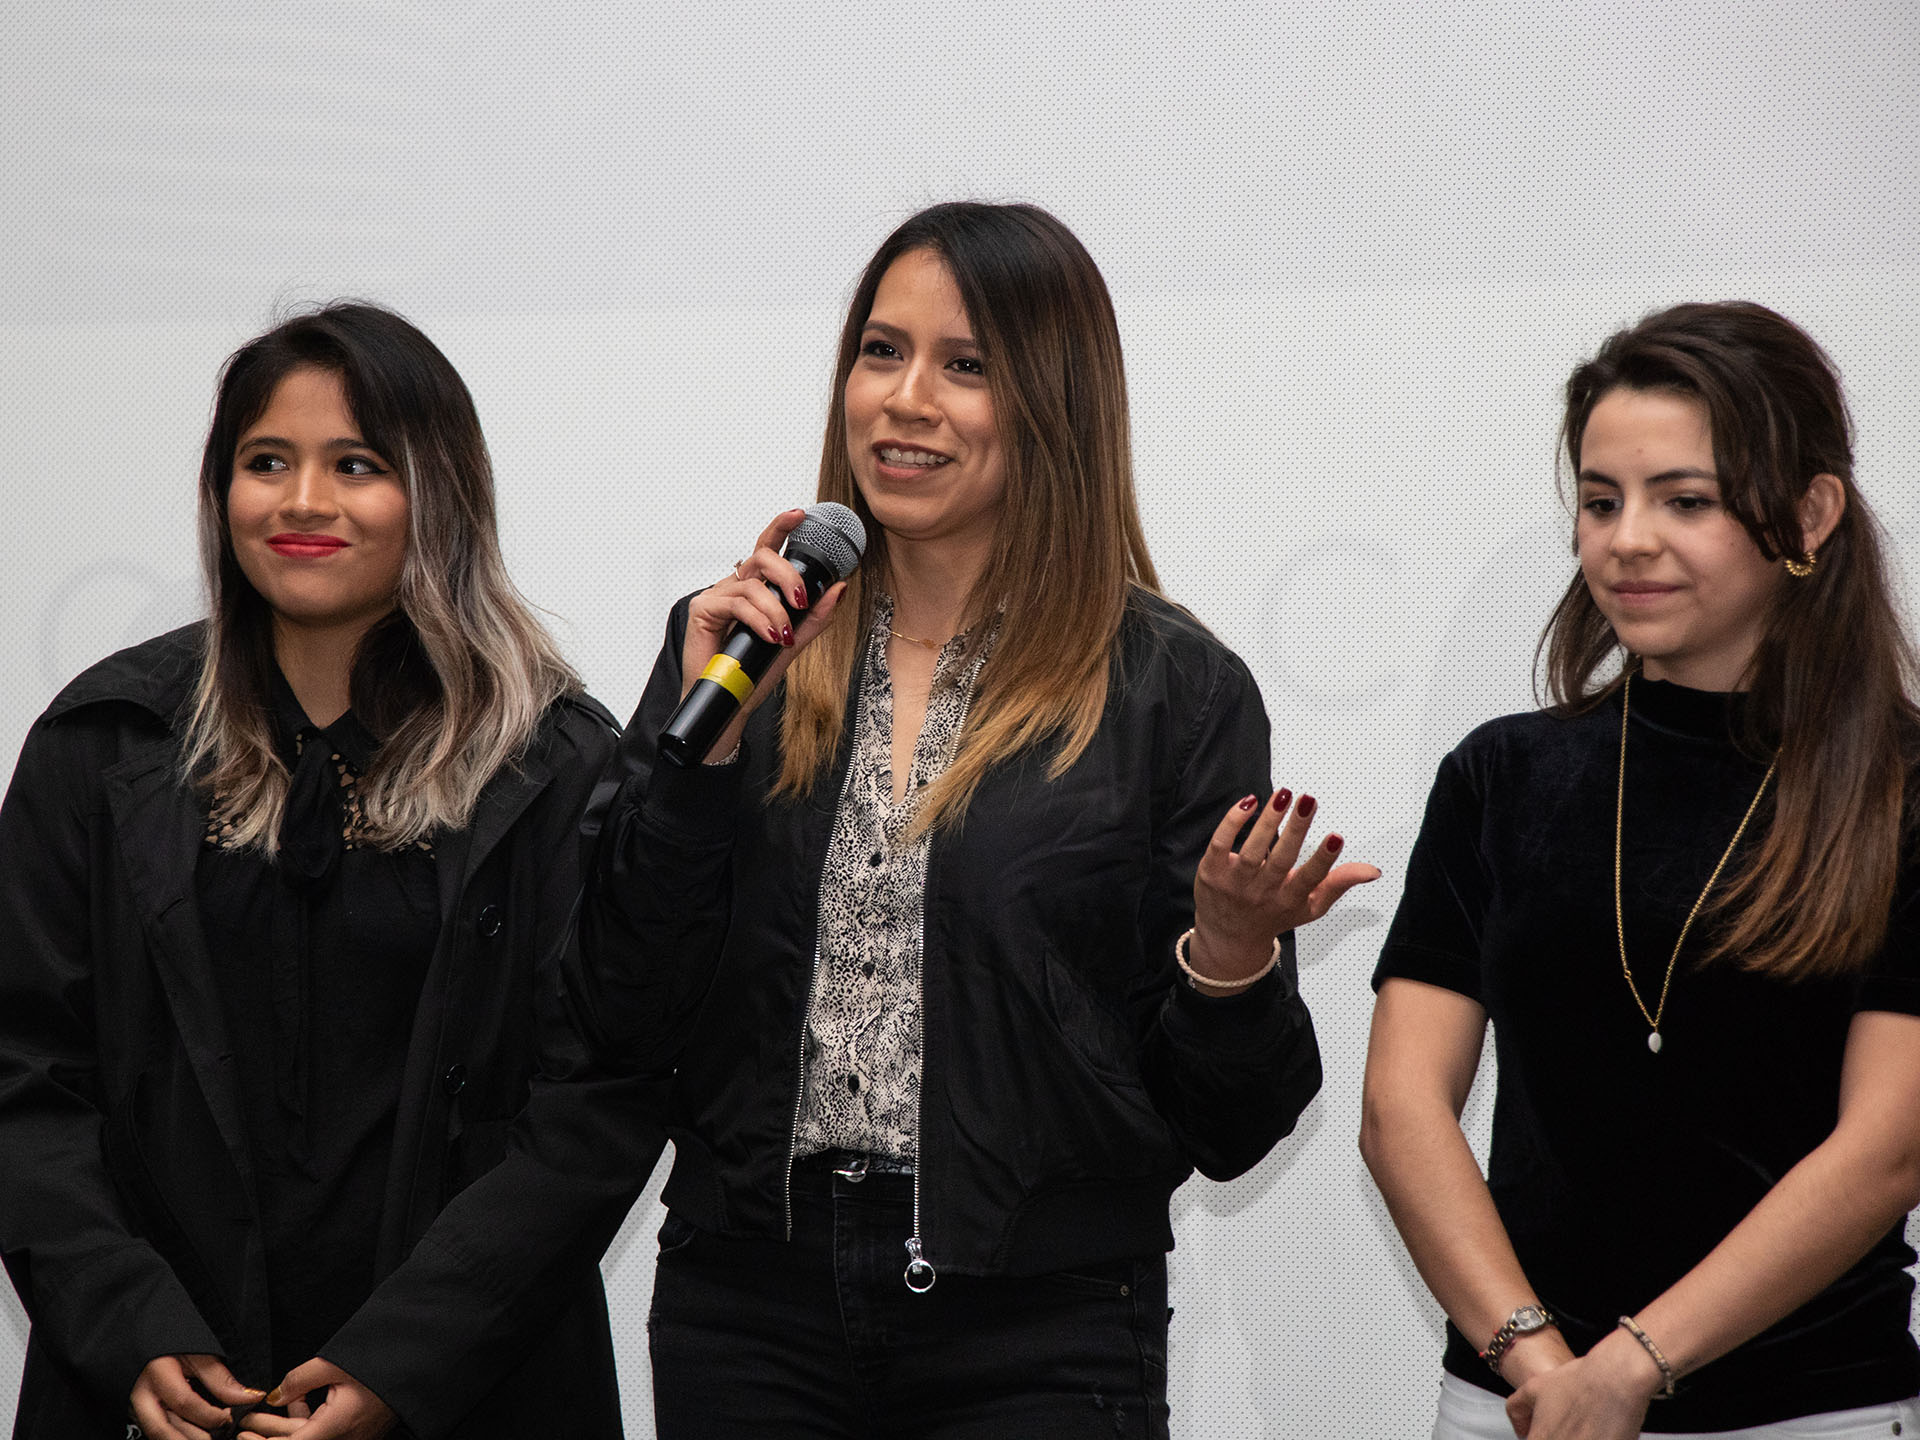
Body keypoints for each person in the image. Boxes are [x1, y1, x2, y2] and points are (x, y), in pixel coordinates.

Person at [570, 200, 1377, 1438]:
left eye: (967, 367)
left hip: (1042, 1327)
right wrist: (706, 751)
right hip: (751, 1304)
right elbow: (617, 1007)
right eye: (881, 352)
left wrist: (1229, 955)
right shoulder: (744, 645)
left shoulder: (1172, 687)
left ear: (1055, 403)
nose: (904, 400)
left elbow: (1235, 1124)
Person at [0, 303, 642, 1440]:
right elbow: (21, 1076)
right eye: (265, 463)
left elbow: (592, 1111)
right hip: (163, 1391)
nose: (302, 502)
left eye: (356, 465)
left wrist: (401, 1364)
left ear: (438, 495)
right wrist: (125, 1321)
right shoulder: (104, 746)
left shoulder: (553, 762)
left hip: (465, 1390)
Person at [1361, 301, 1920, 1438]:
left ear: (1808, 515)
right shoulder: (1501, 775)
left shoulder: (1902, 788)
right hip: (1523, 1406)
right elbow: (1401, 1107)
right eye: (1602, 502)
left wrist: (1634, 1365)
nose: (1628, 541)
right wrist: (1537, 1360)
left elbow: (1888, 1147)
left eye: (1686, 501)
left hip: (1815, 1413)